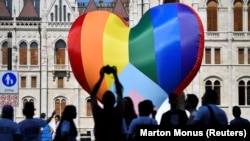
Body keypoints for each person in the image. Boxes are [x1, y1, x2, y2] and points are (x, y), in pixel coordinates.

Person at [91, 65, 124, 141]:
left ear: (102, 101)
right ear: (114, 101)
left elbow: (93, 94)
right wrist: (115, 76)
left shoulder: (98, 113)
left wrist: (101, 78)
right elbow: (120, 92)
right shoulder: (118, 112)